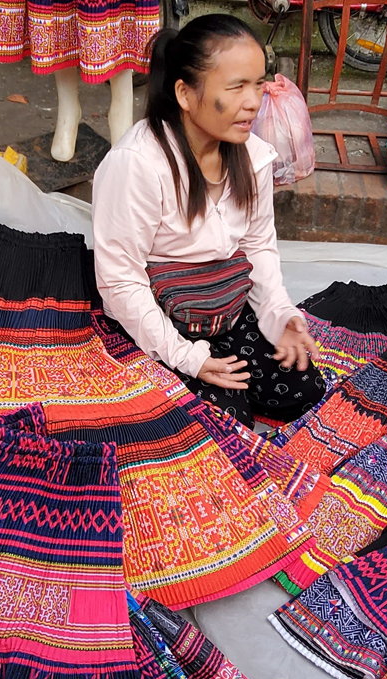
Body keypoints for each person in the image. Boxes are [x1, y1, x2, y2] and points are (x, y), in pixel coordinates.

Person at [91, 14, 324, 429]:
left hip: (224, 305)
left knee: (303, 390)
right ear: (185, 93)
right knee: (224, 424)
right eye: (236, 87)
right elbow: (120, 280)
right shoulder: (138, 165)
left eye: (258, 83)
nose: (254, 101)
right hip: (161, 316)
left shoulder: (251, 156)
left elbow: (258, 247)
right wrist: (187, 356)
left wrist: (279, 314)